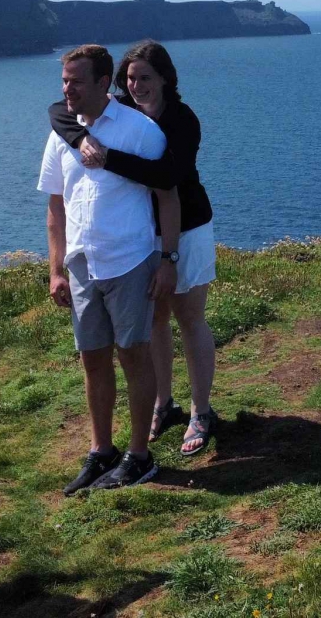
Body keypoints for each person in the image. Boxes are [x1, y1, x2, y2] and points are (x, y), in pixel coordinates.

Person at [49, 40, 218, 457]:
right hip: (141, 237)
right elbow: (58, 111)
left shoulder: (180, 120)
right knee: (153, 322)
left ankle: (201, 410)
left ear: (164, 78)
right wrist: (81, 136)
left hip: (187, 228)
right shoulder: (117, 113)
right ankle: (163, 401)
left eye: (145, 77)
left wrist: (105, 157)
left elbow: (168, 176)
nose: (137, 85)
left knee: (189, 316)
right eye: (130, 78)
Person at [39, 45, 181, 494]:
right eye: (64, 81)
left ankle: (139, 456)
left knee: (133, 357)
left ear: (104, 84)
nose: (67, 90)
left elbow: (167, 197)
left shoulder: (140, 131)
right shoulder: (63, 134)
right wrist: (55, 269)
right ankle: (102, 451)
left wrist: (167, 260)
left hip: (129, 262)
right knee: (93, 359)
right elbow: (55, 206)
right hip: (82, 264)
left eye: (76, 82)